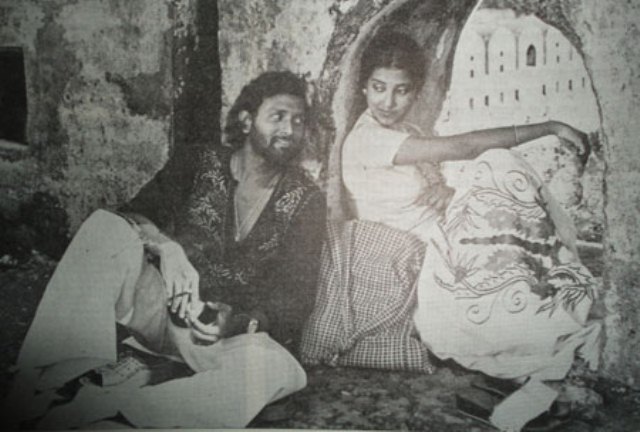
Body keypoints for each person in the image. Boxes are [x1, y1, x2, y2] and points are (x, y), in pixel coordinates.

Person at [3, 71, 326, 429]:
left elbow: (295, 298)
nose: (289, 130)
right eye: (278, 116)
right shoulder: (198, 161)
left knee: (279, 368)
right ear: (247, 120)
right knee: (105, 227)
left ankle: (120, 415)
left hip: (225, 339)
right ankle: (49, 383)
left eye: (299, 121)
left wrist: (237, 323)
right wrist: (167, 248)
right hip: (162, 311)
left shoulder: (307, 200)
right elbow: (133, 214)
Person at [340, 30, 601, 431]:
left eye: (401, 90)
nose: (387, 101)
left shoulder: (405, 132)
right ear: (363, 87)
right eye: (378, 87)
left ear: (415, 92)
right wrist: (548, 126)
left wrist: (445, 192)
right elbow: (463, 148)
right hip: (422, 261)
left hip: (443, 243)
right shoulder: (367, 139)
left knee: (504, 207)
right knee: (496, 164)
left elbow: (425, 186)